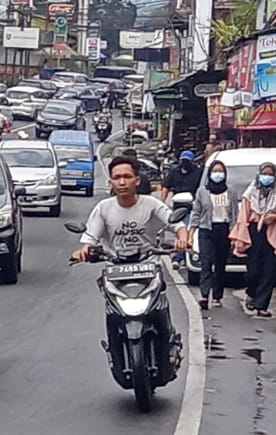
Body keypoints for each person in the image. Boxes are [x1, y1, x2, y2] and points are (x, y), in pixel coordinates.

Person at [73, 154, 191, 367]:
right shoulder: (103, 208)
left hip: (148, 267)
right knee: (112, 313)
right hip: (115, 271)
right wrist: (84, 250)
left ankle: (168, 345)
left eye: (127, 176)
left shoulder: (151, 205)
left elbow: (178, 225)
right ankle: (114, 349)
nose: (121, 182)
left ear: (137, 180)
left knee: (159, 308)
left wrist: (183, 238)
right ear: (110, 181)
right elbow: (90, 238)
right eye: (116, 177)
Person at [228, 161, 276, 319]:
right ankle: (251, 294)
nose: (267, 177)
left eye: (270, 174)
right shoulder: (250, 194)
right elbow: (242, 218)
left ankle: (262, 306)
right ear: (259, 175)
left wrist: (275, 217)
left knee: (269, 271)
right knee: (253, 271)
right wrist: (240, 237)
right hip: (253, 232)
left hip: (271, 233)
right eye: (264, 174)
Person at [192, 159, 234, 310]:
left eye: (220, 171)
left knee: (220, 265)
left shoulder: (231, 193)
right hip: (206, 229)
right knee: (206, 263)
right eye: (215, 171)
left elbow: (234, 215)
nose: (218, 174)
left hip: (223, 230)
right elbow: (196, 212)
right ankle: (204, 295)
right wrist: (191, 231)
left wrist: (234, 233)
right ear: (210, 174)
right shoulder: (203, 191)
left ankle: (217, 296)